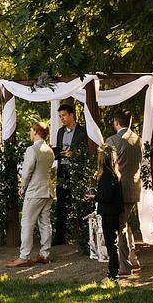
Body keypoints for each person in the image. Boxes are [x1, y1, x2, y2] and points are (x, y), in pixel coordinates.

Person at [7, 122, 54, 267]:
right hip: (48, 190)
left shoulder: (32, 150)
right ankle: (45, 254)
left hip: (34, 191)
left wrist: (23, 187)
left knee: (27, 223)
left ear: (35, 132)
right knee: (45, 223)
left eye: (31, 130)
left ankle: (24, 256)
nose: (30, 132)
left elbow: (27, 171)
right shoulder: (49, 150)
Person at [105, 111, 142, 275]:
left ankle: (125, 266)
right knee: (125, 224)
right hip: (134, 186)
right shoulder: (137, 139)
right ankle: (133, 259)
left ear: (116, 122)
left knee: (119, 227)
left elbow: (108, 166)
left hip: (118, 189)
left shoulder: (112, 140)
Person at [52, 102, 90, 246]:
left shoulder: (82, 131)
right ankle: (60, 236)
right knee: (61, 202)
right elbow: (60, 150)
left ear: (72, 115)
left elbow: (86, 150)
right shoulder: (60, 132)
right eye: (60, 116)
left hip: (77, 171)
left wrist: (74, 154)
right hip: (63, 170)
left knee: (80, 202)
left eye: (64, 115)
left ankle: (84, 235)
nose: (62, 118)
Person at [95, 143, 125, 281]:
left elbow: (106, 196)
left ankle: (113, 272)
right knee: (112, 242)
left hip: (108, 211)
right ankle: (114, 271)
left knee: (110, 243)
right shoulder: (115, 174)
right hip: (114, 211)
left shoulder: (106, 175)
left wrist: (94, 196)